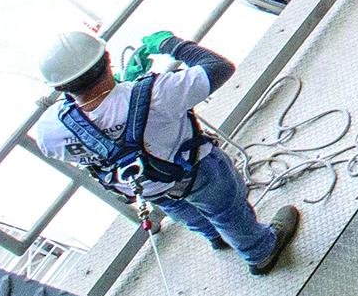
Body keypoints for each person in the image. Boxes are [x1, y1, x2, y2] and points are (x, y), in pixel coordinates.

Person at [34, 26, 299, 275]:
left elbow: (97, 120)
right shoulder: (157, 93)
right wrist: (170, 44)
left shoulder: (50, 130)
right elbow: (219, 68)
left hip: (146, 188)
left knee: (186, 213)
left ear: (59, 87)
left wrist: (121, 91)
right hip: (197, 172)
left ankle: (215, 236)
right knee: (226, 210)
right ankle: (260, 252)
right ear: (107, 57)